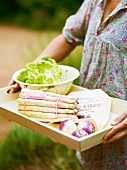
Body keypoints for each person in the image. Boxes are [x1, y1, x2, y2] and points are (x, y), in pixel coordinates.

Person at [8, 0, 127, 169]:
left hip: (121, 128)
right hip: (89, 118)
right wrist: (31, 74)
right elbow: (68, 38)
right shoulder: (95, 2)